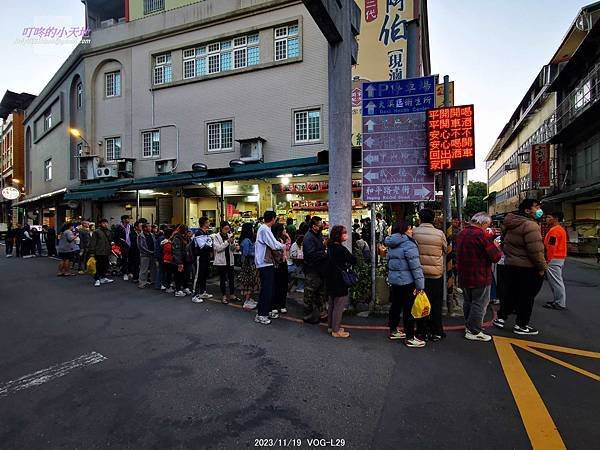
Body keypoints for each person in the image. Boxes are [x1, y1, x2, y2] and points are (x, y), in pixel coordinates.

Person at [494, 199, 547, 335]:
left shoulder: (508, 223)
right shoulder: (530, 225)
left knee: (510, 293)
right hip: (528, 267)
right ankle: (521, 325)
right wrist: (542, 267)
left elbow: (503, 244)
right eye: (536, 207)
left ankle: (501, 318)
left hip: (510, 265)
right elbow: (536, 250)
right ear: (527, 210)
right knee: (527, 297)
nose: (539, 209)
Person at [455, 213, 503, 342]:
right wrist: (496, 247)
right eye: (487, 224)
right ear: (482, 223)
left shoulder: (461, 233)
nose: (487, 227)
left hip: (464, 275)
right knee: (479, 303)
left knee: (468, 301)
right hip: (479, 275)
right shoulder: (481, 236)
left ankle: (469, 325)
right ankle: (474, 331)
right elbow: (495, 257)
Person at [385, 221, 426, 348]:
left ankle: (393, 330)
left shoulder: (391, 242)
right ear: (405, 230)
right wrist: (420, 285)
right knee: (409, 310)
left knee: (396, 306)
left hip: (395, 280)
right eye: (410, 229)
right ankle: (410, 337)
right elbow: (415, 267)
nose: (412, 231)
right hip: (407, 281)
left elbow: (389, 261)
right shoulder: (409, 243)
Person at [413, 208, 448, 342]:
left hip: (418, 275)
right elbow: (445, 249)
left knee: (420, 303)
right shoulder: (439, 234)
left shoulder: (414, 232)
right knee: (436, 304)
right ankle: (437, 332)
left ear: (420, 218)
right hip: (435, 274)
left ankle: (421, 331)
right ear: (433, 219)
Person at [254, 210, 286, 325]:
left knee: (267, 289)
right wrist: (283, 246)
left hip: (265, 262)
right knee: (267, 289)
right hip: (265, 262)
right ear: (273, 218)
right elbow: (273, 244)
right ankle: (262, 314)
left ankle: (264, 312)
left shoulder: (263, 229)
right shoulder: (265, 229)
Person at [326, 225, 356, 338]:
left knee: (332, 304)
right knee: (339, 305)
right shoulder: (341, 249)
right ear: (338, 235)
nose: (346, 235)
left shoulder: (330, 247)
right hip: (340, 280)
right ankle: (336, 330)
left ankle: (331, 326)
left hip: (330, 278)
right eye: (344, 233)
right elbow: (353, 260)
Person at [302, 216, 328, 324]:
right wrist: (324, 253)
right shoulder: (308, 237)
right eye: (320, 224)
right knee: (310, 294)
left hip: (319, 269)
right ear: (314, 226)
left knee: (320, 293)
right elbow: (310, 255)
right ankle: (308, 315)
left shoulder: (318, 235)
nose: (322, 226)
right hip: (312, 270)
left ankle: (323, 314)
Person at [543, 211, 567, 310]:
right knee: (555, 281)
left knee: (556, 282)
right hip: (557, 258)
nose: (546, 219)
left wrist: (547, 260)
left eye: (549, 217)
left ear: (556, 218)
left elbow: (551, 247)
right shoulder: (558, 229)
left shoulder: (555, 231)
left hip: (554, 258)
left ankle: (559, 303)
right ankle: (558, 301)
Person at [211, 221, 237, 304]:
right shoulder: (216, 237)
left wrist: (233, 243)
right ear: (221, 228)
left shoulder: (230, 236)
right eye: (225, 229)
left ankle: (232, 295)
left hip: (230, 260)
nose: (227, 230)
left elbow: (233, 249)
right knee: (223, 279)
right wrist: (227, 242)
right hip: (221, 261)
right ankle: (224, 296)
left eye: (228, 229)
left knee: (231, 278)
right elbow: (218, 249)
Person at [191, 217, 214, 303]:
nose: (209, 223)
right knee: (198, 276)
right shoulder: (198, 233)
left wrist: (209, 245)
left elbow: (209, 244)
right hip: (199, 257)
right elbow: (202, 246)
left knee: (204, 275)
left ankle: (202, 292)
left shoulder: (207, 232)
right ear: (204, 223)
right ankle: (195, 295)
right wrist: (209, 245)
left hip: (206, 257)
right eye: (208, 222)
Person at [271, 222, 291, 315]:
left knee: (283, 285)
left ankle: (281, 305)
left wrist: (287, 237)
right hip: (276, 265)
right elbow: (283, 250)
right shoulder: (273, 240)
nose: (284, 230)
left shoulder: (280, 239)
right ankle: (275, 305)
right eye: (283, 229)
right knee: (277, 285)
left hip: (282, 264)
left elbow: (287, 248)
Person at [88, 218, 114, 287]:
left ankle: (103, 277)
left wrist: (111, 245)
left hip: (106, 251)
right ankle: (97, 279)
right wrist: (92, 252)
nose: (105, 224)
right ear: (100, 224)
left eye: (106, 223)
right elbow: (93, 242)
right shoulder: (96, 232)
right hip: (98, 252)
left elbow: (110, 240)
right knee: (98, 266)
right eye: (103, 223)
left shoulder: (109, 231)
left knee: (105, 265)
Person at [239, 222, 259, 310]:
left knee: (251, 282)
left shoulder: (246, 239)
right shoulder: (247, 240)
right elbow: (246, 253)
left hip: (249, 264)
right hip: (248, 265)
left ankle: (249, 299)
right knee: (249, 283)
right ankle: (247, 300)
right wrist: (255, 253)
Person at [171, 224, 190, 297]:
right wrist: (179, 262)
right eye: (186, 230)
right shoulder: (177, 238)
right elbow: (176, 251)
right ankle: (178, 290)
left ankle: (185, 287)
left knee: (185, 275)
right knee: (178, 275)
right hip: (179, 260)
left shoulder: (185, 237)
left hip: (185, 259)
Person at [114, 215, 132, 280]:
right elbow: (115, 237)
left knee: (130, 259)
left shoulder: (130, 227)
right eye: (127, 219)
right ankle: (125, 273)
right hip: (123, 245)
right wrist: (120, 242)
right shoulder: (118, 227)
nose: (129, 220)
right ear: (123, 220)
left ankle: (129, 271)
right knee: (124, 259)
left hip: (130, 245)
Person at [137, 222, 155, 288]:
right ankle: (142, 283)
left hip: (153, 254)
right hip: (145, 255)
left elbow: (154, 243)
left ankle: (153, 281)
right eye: (149, 226)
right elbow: (141, 246)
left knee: (153, 269)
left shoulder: (152, 234)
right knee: (144, 269)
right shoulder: (140, 236)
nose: (150, 228)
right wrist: (149, 251)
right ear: (145, 228)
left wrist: (154, 251)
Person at [161, 228, 175, 293]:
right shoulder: (166, 242)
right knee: (168, 274)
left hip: (168, 259)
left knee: (169, 274)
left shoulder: (167, 241)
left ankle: (169, 286)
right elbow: (170, 250)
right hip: (167, 260)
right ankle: (168, 287)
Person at [154, 225, 166, 290]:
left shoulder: (159, 236)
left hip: (158, 255)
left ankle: (159, 284)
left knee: (160, 270)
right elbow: (161, 248)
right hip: (161, 256)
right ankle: (159, 284)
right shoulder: (162, 238)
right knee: (161, 270)